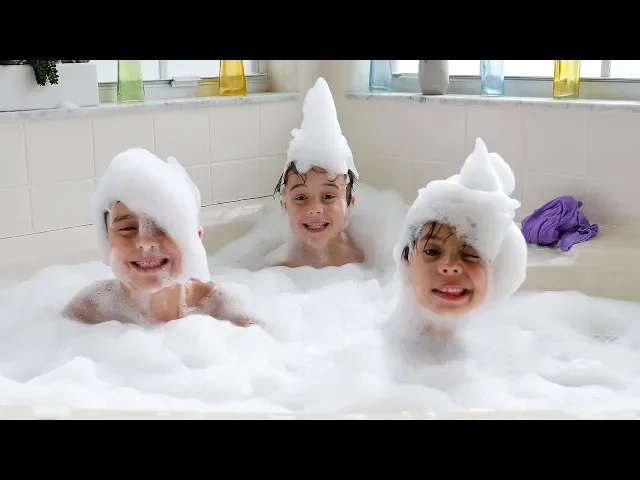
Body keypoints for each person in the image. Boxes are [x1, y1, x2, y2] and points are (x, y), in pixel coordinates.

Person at [62, 148, 254, 327]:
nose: (145, 242)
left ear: (195, 239)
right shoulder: (87, 312)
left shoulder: (223, 310)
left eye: (163, 227)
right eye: (127, 228)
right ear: (106, 242)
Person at [386, 137, 528, 357]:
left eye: (471, 253)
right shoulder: (378, 352)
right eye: (432, 251)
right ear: (406, 263)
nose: (450, 266)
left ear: (500, 267)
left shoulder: (511, 353)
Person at [269, 77, 364, 268]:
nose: (315, 208)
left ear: (349, 204)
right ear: (285, 206)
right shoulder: (280, 264)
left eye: (328, 196)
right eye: (300, 197)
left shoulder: (360, 261)